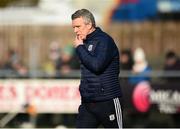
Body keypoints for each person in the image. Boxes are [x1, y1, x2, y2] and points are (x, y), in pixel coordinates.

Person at [71, 9, 123, 128]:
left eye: (78, 26)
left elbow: (97, 66)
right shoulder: (83, 43)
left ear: (89, 25)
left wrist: (79, 48)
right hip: (88, 102)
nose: (75, 30)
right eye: (73, 27)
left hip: (107, 100)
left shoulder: (104, 41)